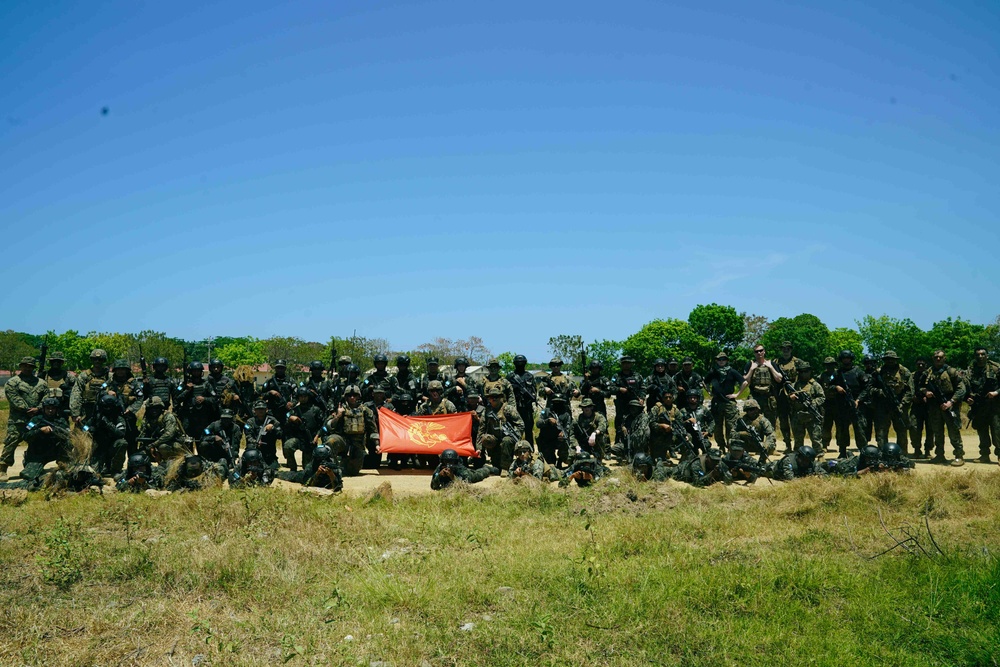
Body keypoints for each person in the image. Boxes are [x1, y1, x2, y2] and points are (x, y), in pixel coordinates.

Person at [0, 356, 49, 482]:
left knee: (36, 444)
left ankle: (33, 467)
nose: (27, 368)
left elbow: (46, 398)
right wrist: (28, 410)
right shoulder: (12, 382)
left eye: (30, 366)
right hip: (18, 421)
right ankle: (2, 469)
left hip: (35, 421)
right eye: (25, 365)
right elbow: (14, 398)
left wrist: (38, 409)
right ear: (21, 366)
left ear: (34, 368)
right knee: (11, 443)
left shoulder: (41, 383)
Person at [918, 350, 966, 466]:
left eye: (940, 357)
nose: (937, 359)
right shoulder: (927, 372)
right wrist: (926, 392)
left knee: (953, 431)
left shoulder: (951, 371)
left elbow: (961, 389)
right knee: (937, 432)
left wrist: (951, 402)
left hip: (949, 405)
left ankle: (958, 455)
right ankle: (939, 455)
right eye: (935, 357)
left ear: (945, 358)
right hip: (934, 406)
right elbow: (919, 387)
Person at [324, 385, 379, 476]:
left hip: (357, 443)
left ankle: (345, 464)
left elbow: (373, 429)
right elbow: (329, 426)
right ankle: (332, 468)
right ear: (346, 397)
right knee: (331, 441)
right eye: (349, 395)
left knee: (352, 472)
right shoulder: (340, 409)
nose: (352, 397)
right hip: (342, 439)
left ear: (358, 396)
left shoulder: (366, 411)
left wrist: (377, 444)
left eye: (354, 395)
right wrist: (338, 416)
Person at [18, 396, 73, 485]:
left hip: (54, 452)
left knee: (68, 474)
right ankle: (29, 463)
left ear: (56, 409)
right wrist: (39, 431)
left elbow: (68, 436)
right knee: (29, 477)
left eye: (53, 408)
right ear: (43, 409)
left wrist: (56, 433)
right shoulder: (35, 420)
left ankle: (64, 462)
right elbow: (25, 435)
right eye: (48, 408)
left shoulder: (61, 421)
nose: (50, 411)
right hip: (37, 454)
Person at [866, 351, 913, 453]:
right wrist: (879, 392)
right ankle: (883, 455)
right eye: (888, 359)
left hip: (899, 405)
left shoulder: (904, 372)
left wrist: (902, 404)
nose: (890, 361)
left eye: (892, 359)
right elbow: (869, 389)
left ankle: (902, 455)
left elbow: (910, 391)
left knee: (901, 431)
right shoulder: (878, 372)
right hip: (882, 407)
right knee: (881, 432)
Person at [477, 386, 524, 473]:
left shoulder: (508, 409)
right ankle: (495, 462)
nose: (494, 399)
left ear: (501, 398)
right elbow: (481, 429)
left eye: (496, 397)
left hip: (508, 438)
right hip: (494, 438)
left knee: (506, 441)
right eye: (491, 397)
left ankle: (505, 468)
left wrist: (514, 434)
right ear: (488, 399)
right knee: (486, 438)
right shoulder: (487, 410)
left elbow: (520, 424)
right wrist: (479, 448)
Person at [704, 352, 746, 450]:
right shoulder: (713, 372)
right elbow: (704, 382)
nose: (721, 361)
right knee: (717, 426)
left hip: (729, 403)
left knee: (731, 427)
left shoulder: (732, 371)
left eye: (723, 359)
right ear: (716, 361)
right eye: (719, 359)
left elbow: (744, 382)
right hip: (716, 403)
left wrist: (737, 394)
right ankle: (721, 446)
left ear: (727, 360)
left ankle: (730, 446)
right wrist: (709, 392)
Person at [966, 347, 1000, 463]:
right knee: (982, 430)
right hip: (979, 406)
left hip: (995, 405)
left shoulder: (996, 368)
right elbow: (966, 387)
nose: (980, 357)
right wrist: (968, 398)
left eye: (982, 354)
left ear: (987, 355)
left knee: (997, 430)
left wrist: (996, 392)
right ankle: (984, 455)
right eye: (977, 355)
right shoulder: (971, 370)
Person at [282, 387, 325, 472]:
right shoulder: (294, 410)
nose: (303, 398)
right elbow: (284, 424)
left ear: (308, 397)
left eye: (305, 396)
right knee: (287, 446)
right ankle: (293, 469)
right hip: (298, 438)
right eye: (301, 396)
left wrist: (317, 436)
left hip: (310, 441)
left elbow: (323, 426)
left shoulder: (315, 410)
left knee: (308, 468)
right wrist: (290, 418)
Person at [85, 394, 129, 475]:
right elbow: (84, 428)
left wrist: (108, 424)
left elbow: (121, 434)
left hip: (112, 447)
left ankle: (115, 470)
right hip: (98, 448)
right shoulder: (97, 418)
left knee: (122, 443)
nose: (108, 409)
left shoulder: (118, 419)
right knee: (94, 473)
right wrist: (90, 429)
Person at [785, 362, 825, 451]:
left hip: (811, 416)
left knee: (816, 438)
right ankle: (798, 456)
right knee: (798, 439)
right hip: (798, 415)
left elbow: (822, 397)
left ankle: (819, 455)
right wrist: (791, 397)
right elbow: (788, 397)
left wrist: (812, 403)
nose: (803, 374)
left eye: (806, 371)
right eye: (801, 372)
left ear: (810, 372)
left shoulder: (815, 385)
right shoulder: (795, 385)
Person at [175, 361, 219, 437]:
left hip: (203, 417)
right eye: (194, 371)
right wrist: (187, 390)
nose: (196, 373)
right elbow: (177, 398)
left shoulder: (207, 384)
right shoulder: (183, 384)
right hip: (188, 416)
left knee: (204, 438)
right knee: (187, 438)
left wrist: (204, 399)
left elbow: (215, 399)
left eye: (198, 371)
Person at [744, 344, 782, 430]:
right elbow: (746, 381)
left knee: (771, 424)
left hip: (769, 397)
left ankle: (771, 442)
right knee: (755, 423)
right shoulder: (750, 364)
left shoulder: (771, 363)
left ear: (764, 351)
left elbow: (779, 379)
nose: (759, 353)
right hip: (755, 397)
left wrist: (771, 367)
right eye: (756, 351)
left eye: (761, 350)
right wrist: (751, 369)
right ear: (754, 353)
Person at [137, 396, 188, 462]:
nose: (153, 411)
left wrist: (153, 444)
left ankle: (168, 464)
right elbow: (141, 432)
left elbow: (169, 434)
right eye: (151, 408)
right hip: (153, 443)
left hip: (172, 443)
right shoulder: (146, 418)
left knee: (163, 447)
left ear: (161, 408)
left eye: (156, 408)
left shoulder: (168, 416)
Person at [610, 356, 645, 447]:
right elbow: (610, 388)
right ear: (621, 364)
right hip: (622, 404)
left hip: (635, 404)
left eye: (628, 363)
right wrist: (619, 389)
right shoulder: (616, 376)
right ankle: (619, 444)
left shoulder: (637, 376)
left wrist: (642, 398)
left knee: (635, 422)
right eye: (624, 363)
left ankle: (636, 443)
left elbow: (643, 388)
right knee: (620, 423)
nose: (627, 365)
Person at [69, 349, 110, 427]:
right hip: (87, 411)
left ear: (104, 360)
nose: (97, 361)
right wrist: (75, 413)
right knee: (83, 431)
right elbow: (76, 393)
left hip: (105, 411)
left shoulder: (109, 376)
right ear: (91, 360)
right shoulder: (84, 376)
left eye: (100, 359)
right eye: (95, 359)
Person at [772, 342, 801, 451]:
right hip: (780, 395)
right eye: (783, 348)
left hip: (794, 394)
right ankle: (788, 445)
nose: (785, 351)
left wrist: (795, 391)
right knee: (783, 422)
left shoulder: (797, 362)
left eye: (787, 348)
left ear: (791, 349)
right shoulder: (775, 362)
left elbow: (802, 377)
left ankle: (798, 446)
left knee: (796, 422)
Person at [507, 355, 538, 447]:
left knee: (528, 430)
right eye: (518, 363)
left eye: (522, 363)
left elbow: (534, 391)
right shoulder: (510, 376)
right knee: (513, 430)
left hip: (526, 407)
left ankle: (530, 450)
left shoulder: (529, 376)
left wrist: (531, 398)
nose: (520, 365)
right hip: (514, 407)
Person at [242, 401, 282, 469]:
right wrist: (256, 442)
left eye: (262, 409)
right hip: (255, 450)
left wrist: (273, 428)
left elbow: (280, 434)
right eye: (258, 409)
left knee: (273, 469)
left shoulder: (272, 420)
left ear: (266, 410)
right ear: (255, 410)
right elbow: (248, 436)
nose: (260, 411)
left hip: (268, 451)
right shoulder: (250, 421)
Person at [535, 395, 573, 466]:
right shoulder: (545, 411)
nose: (558, 405)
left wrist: (563, 433)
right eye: (556, 402)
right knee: (550, 463)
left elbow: (568, 428)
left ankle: (561, 460)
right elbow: (538, 424)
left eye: (560, 402)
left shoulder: (566, 415)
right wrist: (547, 421)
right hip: (547, 440)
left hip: (559, 440)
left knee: (566, 443)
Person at [431, 448, 497, 490]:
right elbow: (433, 486)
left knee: (478, 474)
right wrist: (439, 476)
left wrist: (453, 477)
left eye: (451, 462)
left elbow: (465, 485)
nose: (448, 464)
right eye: (446, 461)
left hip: (470, 475)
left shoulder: (460, 468)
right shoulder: (440, 467)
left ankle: (486, 468)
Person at [678, 388, 714, 456]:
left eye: (694, 397)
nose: (692, 399)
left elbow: (712, 421)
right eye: (690, 398)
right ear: (687, 399)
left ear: (698, 398)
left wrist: (708, 432)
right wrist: (687, 421)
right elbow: (678, 424)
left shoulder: (703, 409)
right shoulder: (683, 411)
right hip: (689, 436)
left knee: (706, 447)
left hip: (701, 435)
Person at [909, 357, 933, 457]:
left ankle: (928, 450)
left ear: (926, 365)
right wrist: (912, 397)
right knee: (914, 427)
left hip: (929, 406)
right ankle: (917, 449)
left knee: (930, 429)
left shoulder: (931, 375)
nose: (921, 366)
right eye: (918, 364)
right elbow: (908, 388)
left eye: (923, 364)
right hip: (916, 406)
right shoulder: (912, 376)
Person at [40, 351, 75, 418]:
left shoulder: (68, 376)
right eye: (54, 361)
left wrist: (68, 388)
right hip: (45, 408)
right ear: (50, 362)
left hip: (61, 408)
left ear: (62, 363)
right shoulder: (44, 375)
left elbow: (76, 391)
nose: (56, 363)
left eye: (58, 361)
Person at [261, 360, 295, 424]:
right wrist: (270, 392)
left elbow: (297, 395)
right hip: (272, 411)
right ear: (275, 369)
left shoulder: (290, 381)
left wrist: (292, 403)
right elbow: (261, 396)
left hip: (286, 410)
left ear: (285, 369)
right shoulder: (269, 381)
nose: (280, 370)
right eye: (278, 368)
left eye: (282, 368)